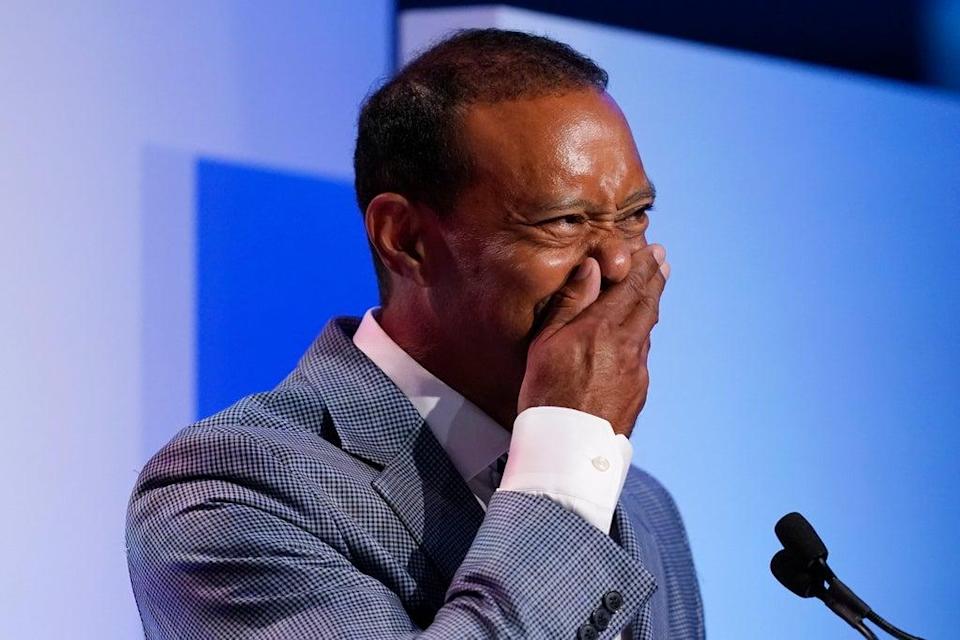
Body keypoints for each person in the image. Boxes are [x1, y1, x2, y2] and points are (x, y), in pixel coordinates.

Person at [127, 29, 703, 639]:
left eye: (635, 216)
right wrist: (567, 466)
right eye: (563, 221)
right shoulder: (229, 491)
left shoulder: (641, 506)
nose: (619, 264)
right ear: (405, 239)